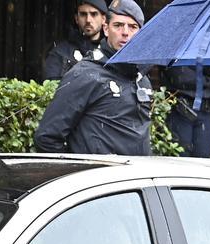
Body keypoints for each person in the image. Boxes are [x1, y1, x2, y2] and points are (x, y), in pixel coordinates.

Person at [34, 0, 152, 156]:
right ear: (106, 29)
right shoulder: (85, 74)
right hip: (101, 178)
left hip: (136, 177)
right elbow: (47, 138)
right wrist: (81, 171)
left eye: (133, 27)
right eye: (118, 25)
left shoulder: (142, 79)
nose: (125, 32)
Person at [163, 66, 210, 158]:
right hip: (181, 110)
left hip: (206, 111)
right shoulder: (180, 52)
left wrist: (200, 65)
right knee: (179, 157)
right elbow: (180, 77)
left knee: (203, 156)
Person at [43, 1, 108, 81]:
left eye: (94, 14)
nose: (88, 20)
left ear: (103, 19)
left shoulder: (112, 52)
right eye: (83, 14)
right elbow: (52, 86)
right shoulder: (60, 52)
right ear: (76, 18)